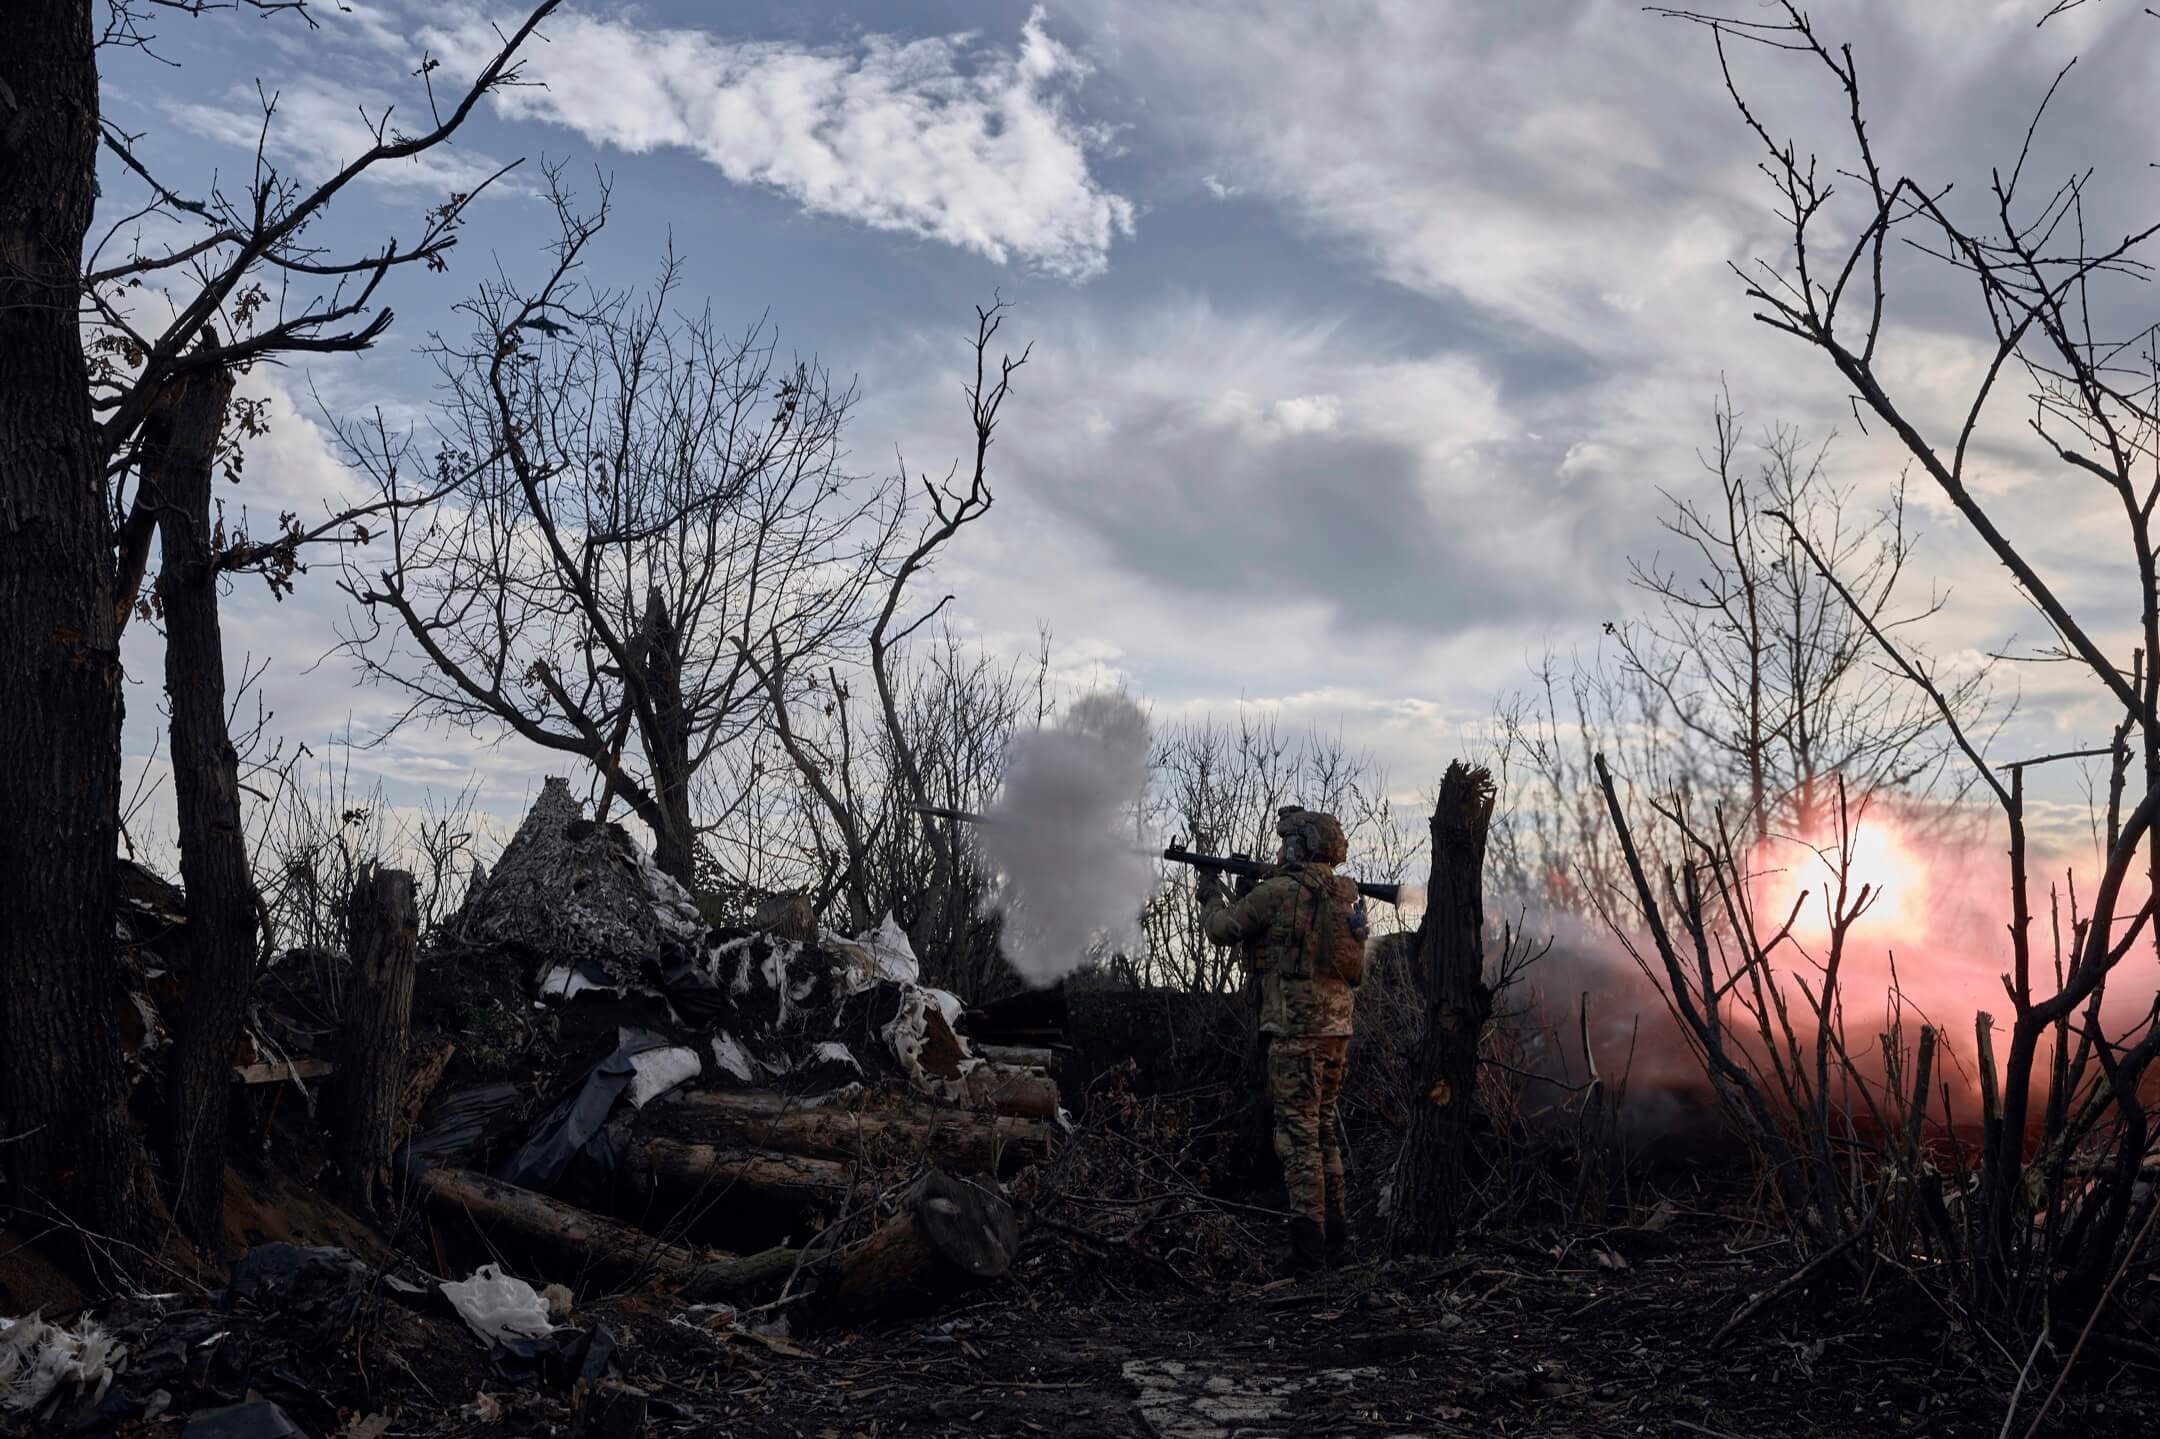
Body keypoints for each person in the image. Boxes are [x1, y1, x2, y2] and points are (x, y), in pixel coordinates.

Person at [1194, 805, 1366, 1273]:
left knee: (1297, 1138)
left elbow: (1223, 929)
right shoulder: (1342, 895)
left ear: (1298, 845)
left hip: (1295, 1033)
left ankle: (1308, 1252)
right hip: (1336, 1031)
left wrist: (1209, 891)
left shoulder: (1282, 891)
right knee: (1324, 1130)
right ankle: (1335, 1242)